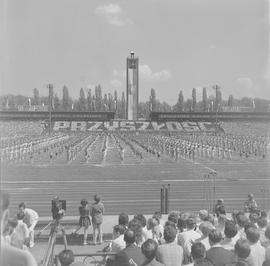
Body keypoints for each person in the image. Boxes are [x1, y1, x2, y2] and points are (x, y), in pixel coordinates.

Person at [1, 190, 37, 266]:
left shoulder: (29, 214)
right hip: (18, 240)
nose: (20, 210)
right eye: (19, 209)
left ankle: (31, 242)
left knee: (30, 231)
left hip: (31, 222)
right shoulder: (25, 259)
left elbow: (31, 224)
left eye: (21, 209)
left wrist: (28, 233)